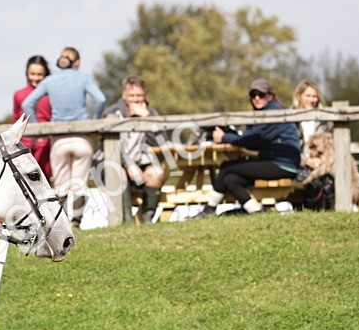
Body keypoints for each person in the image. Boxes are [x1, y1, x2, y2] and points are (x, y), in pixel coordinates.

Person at [21, 46, 105, 229]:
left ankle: (62, 224)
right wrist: (95, 123)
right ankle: (75, 223)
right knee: (79, 183)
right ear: (77, 62)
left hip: (58, 140)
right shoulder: (83, 78)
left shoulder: (50, 81)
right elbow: (100, 99)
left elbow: (27, 104)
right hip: (82, 138)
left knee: (60, 185)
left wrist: (37, 128)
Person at [192, 78, 301, 218]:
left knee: (226, 166)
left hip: (283, 163)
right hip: (275, 161)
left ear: (270, 96)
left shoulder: (272, 112)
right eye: (253, 94)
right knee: (231, 179)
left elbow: (252, 140)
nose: (256, 98)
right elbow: (251, 137)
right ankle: (256, 212)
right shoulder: (261, 113)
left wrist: (224, 138)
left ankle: (208, 210)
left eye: (260, 94)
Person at [101, 76, 169, 223]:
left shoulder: (151, 113)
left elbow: (161, 142)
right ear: (124, 96)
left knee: (157, 173)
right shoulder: (112, 114)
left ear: (145, 96)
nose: (136, 99)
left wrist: (147, 119)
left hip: (143, 162)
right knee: (119, 173)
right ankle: (127, 221)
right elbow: (109, 148)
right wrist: (129, 165)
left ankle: (147, 220)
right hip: (116, 163)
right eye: (132, 95)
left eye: (139, 95)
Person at [12, 55, 52, 178]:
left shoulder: (51, 94)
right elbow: (16, 119)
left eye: (40, 74)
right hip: (24, 145)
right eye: (32, 74)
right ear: (27, 73)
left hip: (46, 145)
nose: (36, 77)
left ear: (46, 74)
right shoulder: (18, 94)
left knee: (44, 178)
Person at [292, 79, 331, 155]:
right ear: (299, 96)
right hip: (297, 160)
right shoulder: (290, 118)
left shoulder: (324, 119)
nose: (311, 100)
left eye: (314, 96)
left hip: (320, 159)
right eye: (308, 96)